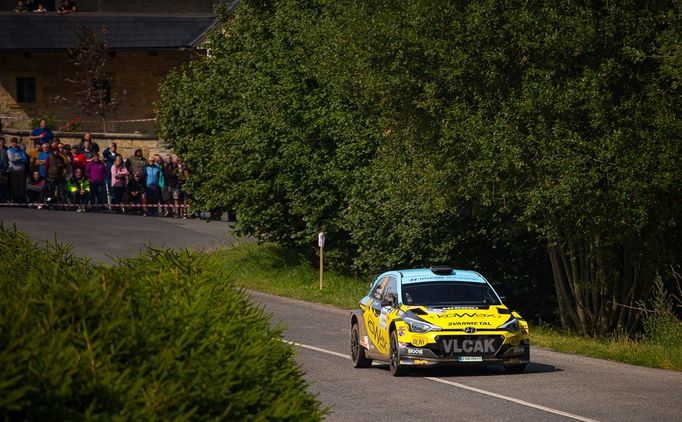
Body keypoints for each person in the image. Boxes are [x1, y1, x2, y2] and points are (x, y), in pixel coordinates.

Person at [6, 137, 28, 203]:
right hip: (13, 171)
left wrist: (17, 159)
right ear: (11, 143)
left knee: (21, 186)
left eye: (15, 142)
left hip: (21, 171)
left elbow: (25, 159)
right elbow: (11, 159)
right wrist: (20, 158)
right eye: (13, 142)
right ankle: (13, 199)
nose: (14, 144)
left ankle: (20, 200)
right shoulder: (9, 150)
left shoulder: (21, 150)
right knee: (14, 186)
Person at [0, 138, 9, 203]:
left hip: (5, 170)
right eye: (0, 142)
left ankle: (4, 198)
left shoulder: (7, 149)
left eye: (3, 142)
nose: (2, 143)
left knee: (4, 184)